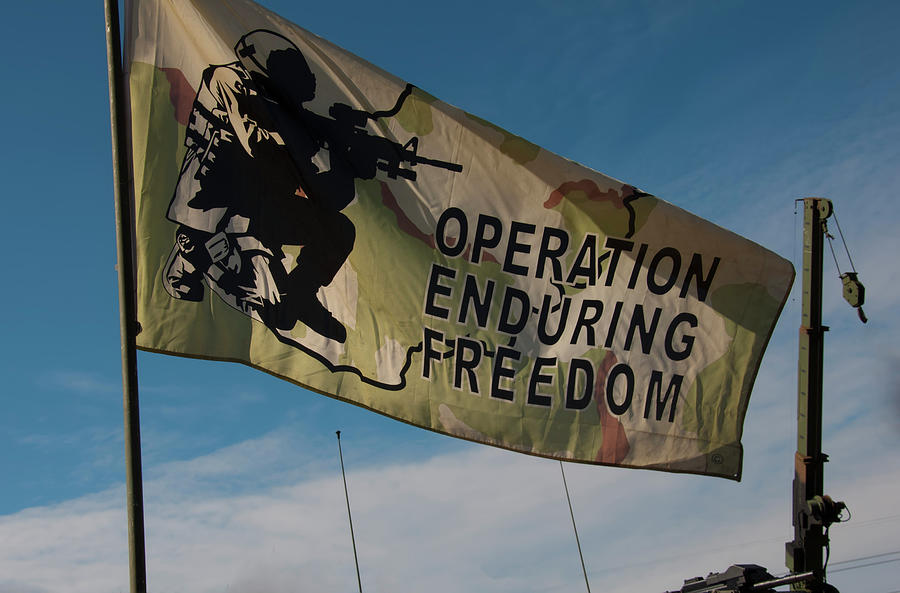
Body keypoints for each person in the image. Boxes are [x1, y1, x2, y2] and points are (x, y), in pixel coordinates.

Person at [163, 29, 362, 343]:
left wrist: (346, 151)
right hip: (215, 200)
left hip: (263, 206)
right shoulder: (228, 80)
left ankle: (298, 295)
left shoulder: (288, 114)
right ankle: (193, 250)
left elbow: (336, 196)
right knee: (252, 284)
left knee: (337, 230)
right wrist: (309, 145)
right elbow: (255, 143)